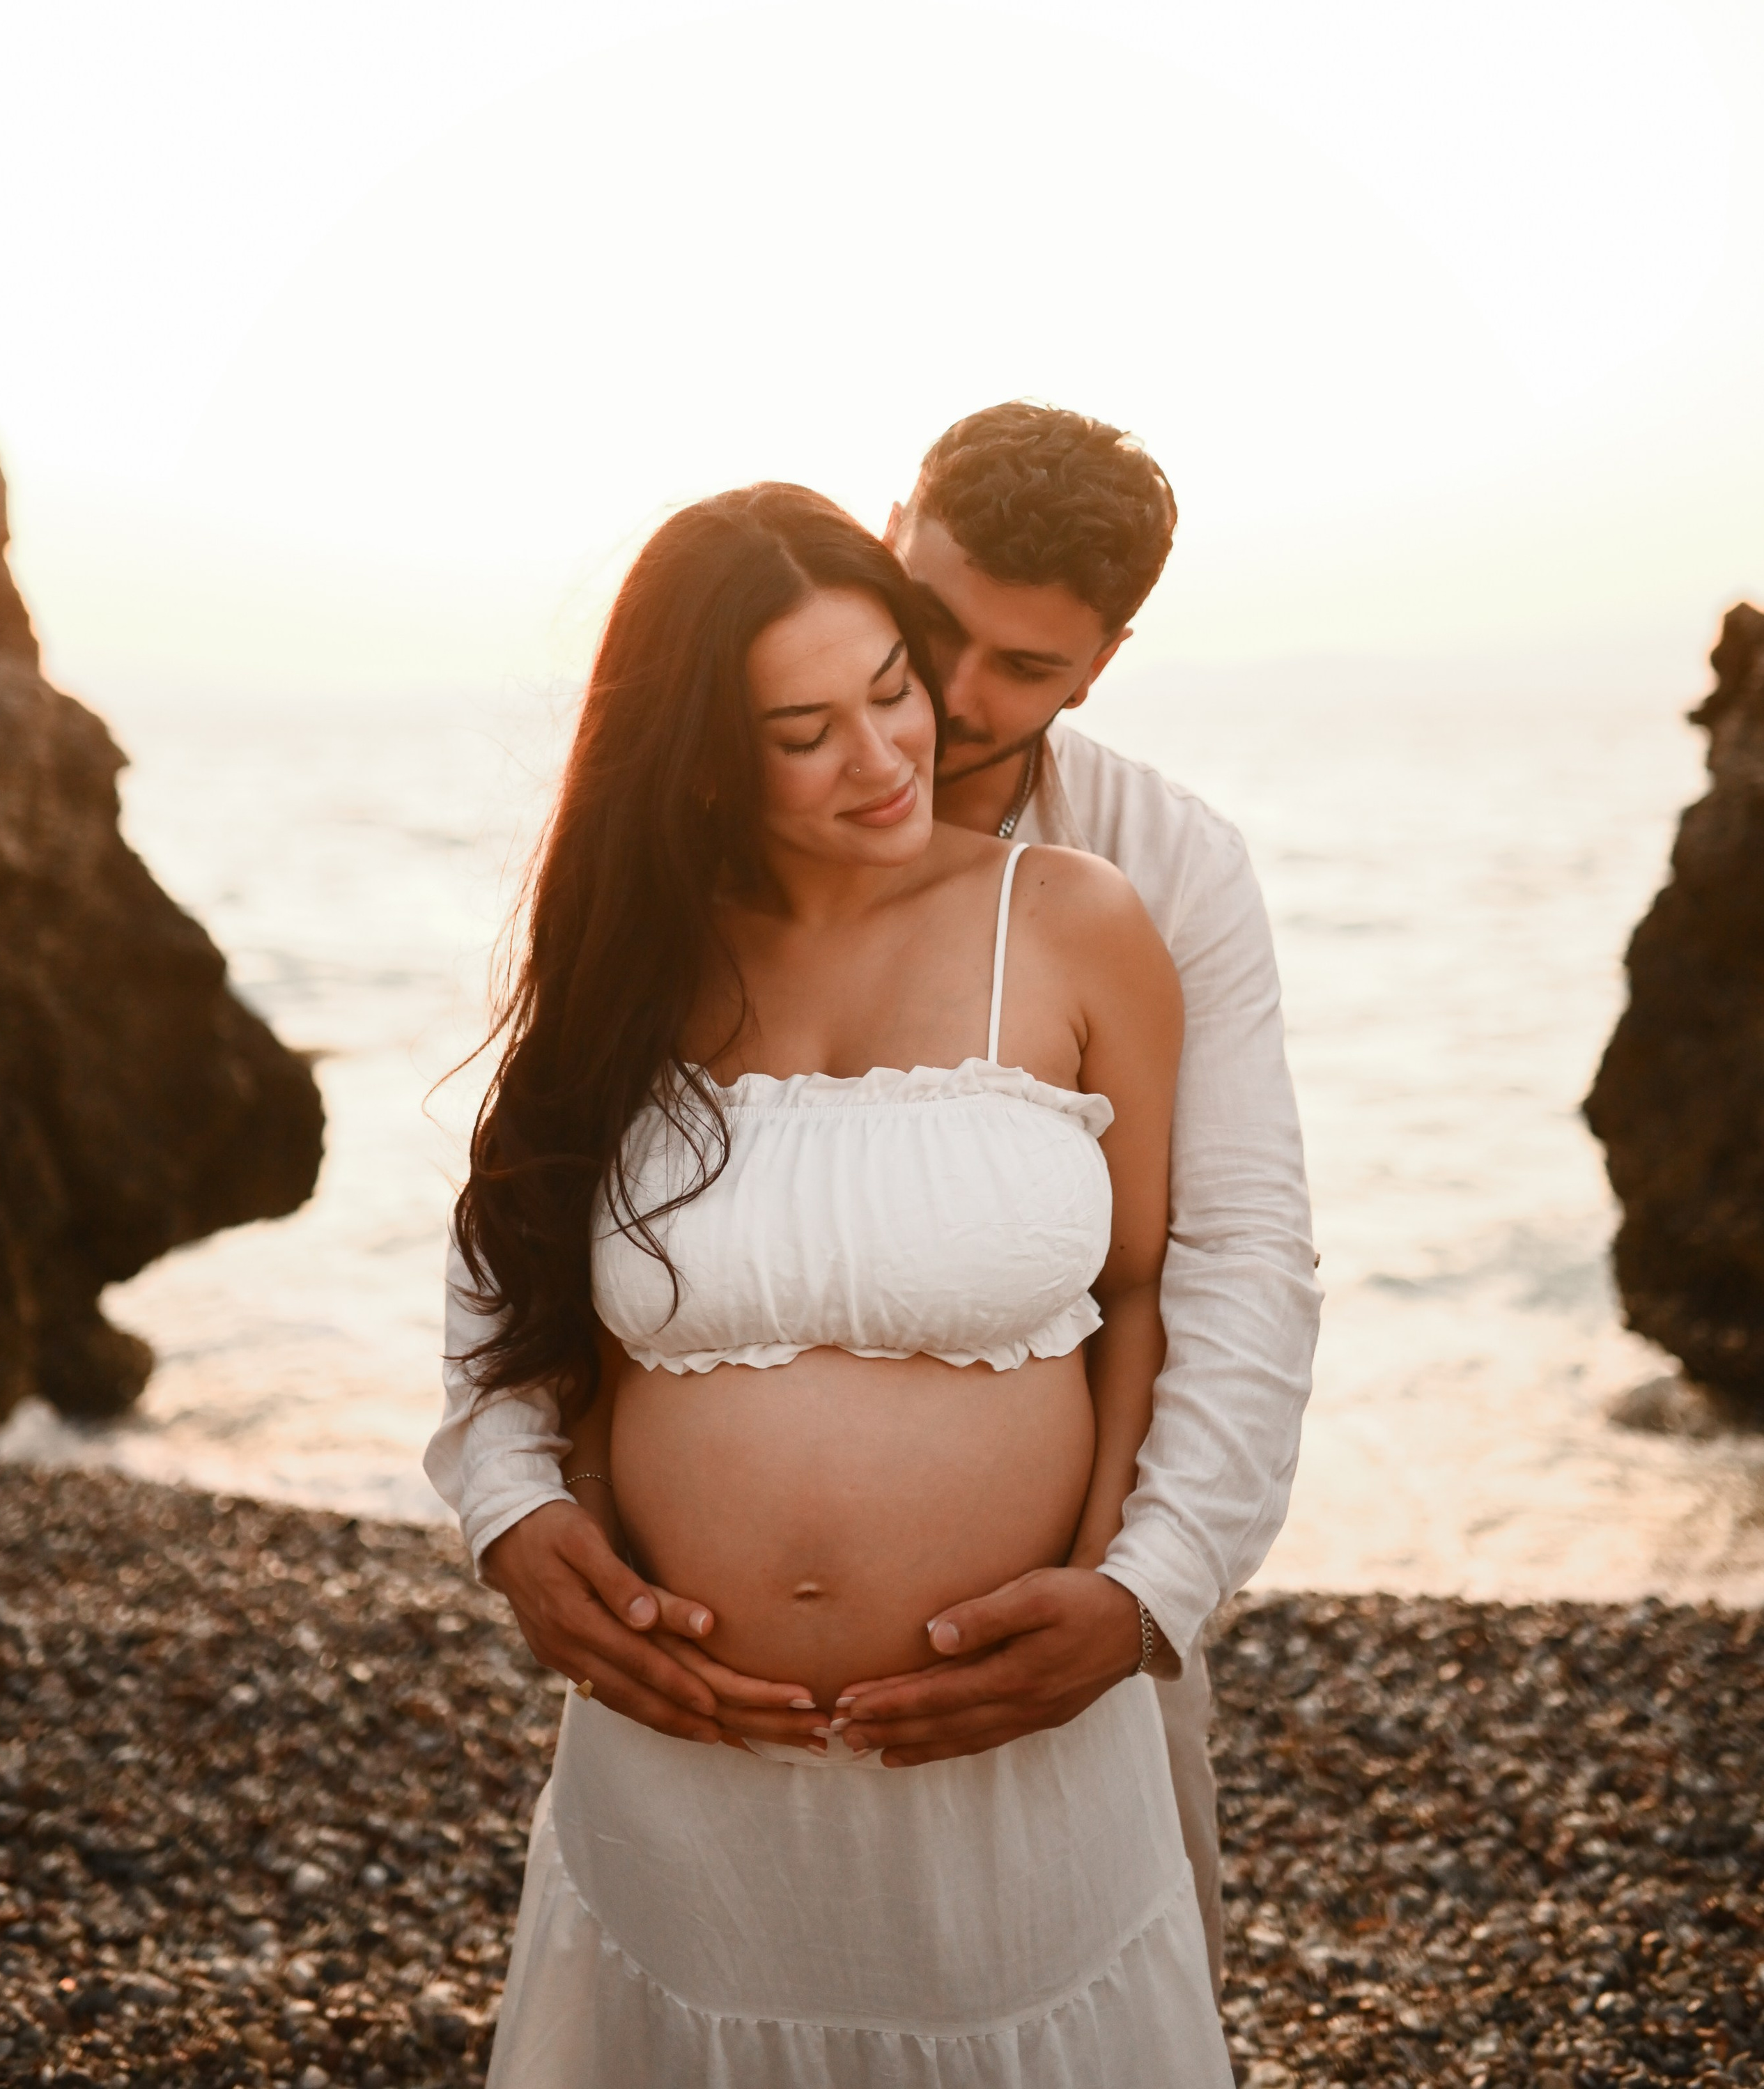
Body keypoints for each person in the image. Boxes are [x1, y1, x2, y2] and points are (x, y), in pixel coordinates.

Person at [428, 401, 1320, 1998]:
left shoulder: (1151, 874)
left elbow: (1224, 1257)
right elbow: (522, 1219)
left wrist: (1143, 1586)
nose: (947, 717)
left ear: (1103, 664)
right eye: (935, 637)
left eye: (1025, 674)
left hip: (1056, 1651)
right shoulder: (657, 908)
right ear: (893, 533)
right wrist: (507, 1500)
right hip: (688, 1732)